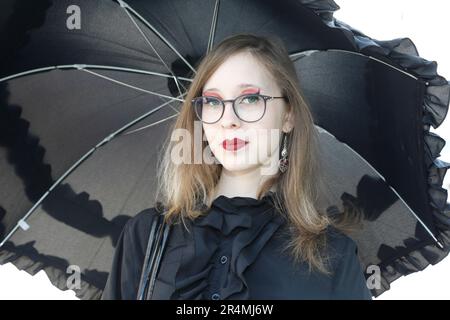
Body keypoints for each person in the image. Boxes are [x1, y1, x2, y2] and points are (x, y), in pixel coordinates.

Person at [101, 33, 372, 300]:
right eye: (213, 101)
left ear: (288, 115)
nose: (228, 119)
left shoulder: (332, 255)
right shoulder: (146, 235)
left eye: (250, 98)